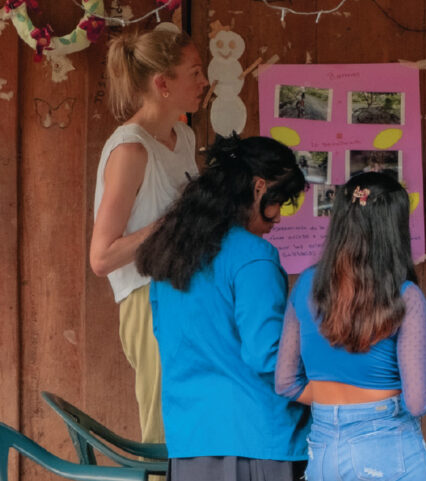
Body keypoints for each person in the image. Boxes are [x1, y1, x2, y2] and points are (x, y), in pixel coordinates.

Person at [136, 135, 309, 480]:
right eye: (280, 201)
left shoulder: (170, 255)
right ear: (259, 188)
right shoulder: (254, 255)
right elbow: (268, 356)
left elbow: (167, 338)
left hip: (189, 443)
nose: (278, 217)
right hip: (256, 440)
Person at [90, 26, 208, 445]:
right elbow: (101, 257)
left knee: (195, 433)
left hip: (190, 295)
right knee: (164, 438)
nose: (204, 80)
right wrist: (173, 224)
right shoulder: (131, 148)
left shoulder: (184, 137)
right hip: (149, 302)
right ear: (162, 84)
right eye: (194, 72)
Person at [276, 172, 426, 481]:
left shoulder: (306, 284)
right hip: (385, 445)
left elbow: (285, 383)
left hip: (323, 450)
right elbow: (416, 402)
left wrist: (335, 407)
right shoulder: (406, 296)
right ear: (393, 228)